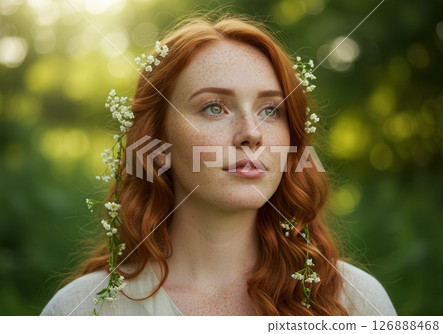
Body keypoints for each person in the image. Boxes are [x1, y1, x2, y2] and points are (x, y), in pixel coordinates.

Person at [41, 13, 396, 316]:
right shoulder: (83, 310)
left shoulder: (353, 302)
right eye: (214, 107)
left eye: (271, 110)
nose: (252, 134)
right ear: (157, 144)